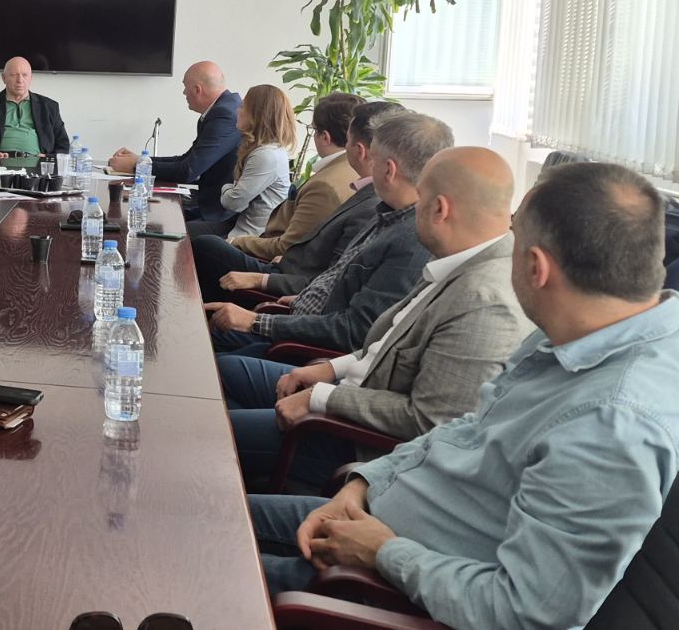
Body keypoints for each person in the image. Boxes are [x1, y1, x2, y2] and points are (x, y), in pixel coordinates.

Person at [249, 161, 679, 630]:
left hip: (390, 591)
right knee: (210, 516)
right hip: (377, 517)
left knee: (201, 562)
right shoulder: (576, 331)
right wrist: (364, 484)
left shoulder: (612, 425)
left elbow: (524, 614)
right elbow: (468, 427)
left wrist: (384, 552)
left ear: (535, 268)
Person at [218, 147, 530, 489]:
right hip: (346, 398)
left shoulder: (485, 300)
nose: (414, 209)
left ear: (439, 209)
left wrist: (321, 397)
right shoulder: (460, 261)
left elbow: (430, 420)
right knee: (219, 391)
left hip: (356, 447)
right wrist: (330, 369)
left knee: (210, 433)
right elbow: (391, 343)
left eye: (421, 198)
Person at [203, 111, 451, 355]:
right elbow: (337, 278)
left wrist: (257, 321)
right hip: (299, 314)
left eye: (373, 159)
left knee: (211, 348)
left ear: (389, 170)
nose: (367, 165)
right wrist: (302, 298)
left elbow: (355, 332)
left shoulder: (409, 239)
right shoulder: (386, 213)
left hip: (308, 348)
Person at [196, 101, 402, 302]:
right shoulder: (363, 189)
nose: (237, 110)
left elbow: (329, 285)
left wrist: (259, 279)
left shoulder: (337, 189)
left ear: (360, 150)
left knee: (204, 245)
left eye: (348, 140)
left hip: (286, 282)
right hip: (289, 265)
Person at [230, 92, 363, 258]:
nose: (237, 110)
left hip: (278, 259)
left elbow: (288, 247)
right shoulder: (355, 170)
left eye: (313, 129)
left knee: (207, 244)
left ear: (325, 137)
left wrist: (238, 241)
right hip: (271, 243)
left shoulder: (324, 185)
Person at [108, 60, 241, 223]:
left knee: (144, 221)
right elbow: (186, 159)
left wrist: (137, 166)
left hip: (217, 214)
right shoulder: (222, 108)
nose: (184, 93)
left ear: (197, 90)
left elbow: (188, 171)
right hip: (206, 204)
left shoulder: (224, 115)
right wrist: (141, 160)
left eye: (185, 87)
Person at [189, 84, 296, 239]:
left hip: (251, 237)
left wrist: (226, 186)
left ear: (258, 115)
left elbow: (234, 202)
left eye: (243, 107)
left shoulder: (266, 156)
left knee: (191, 239)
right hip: (237, 224)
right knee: (183, 230)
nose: (237, 111)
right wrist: (233, 189)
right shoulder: (265, 150)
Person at [0, 56, 70, 159]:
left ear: (31, 78)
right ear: (4, 78)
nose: (20, 80)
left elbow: (63, 145)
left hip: (38, 166)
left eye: (25, 75)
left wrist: (46, 158)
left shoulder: (49, 106)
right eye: (14, 75)